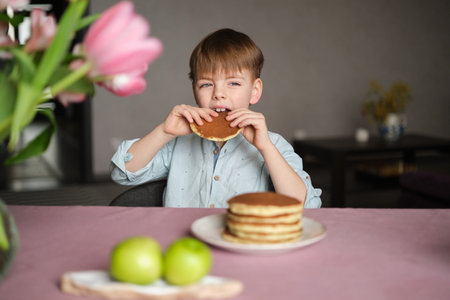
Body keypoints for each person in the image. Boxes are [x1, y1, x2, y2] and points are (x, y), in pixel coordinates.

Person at [110, 28, 322, 208]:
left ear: (254, 91)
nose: (218, 94)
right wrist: (163, 132)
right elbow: (122, 173)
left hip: (243, 245)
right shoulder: (178, 143)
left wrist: (266, 148)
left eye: (234, 83)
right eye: (206, 84)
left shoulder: (273, 144)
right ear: (194, 91)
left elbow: (305, 206)